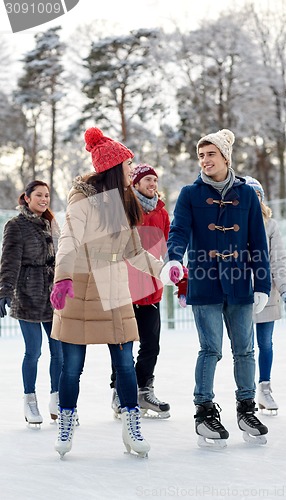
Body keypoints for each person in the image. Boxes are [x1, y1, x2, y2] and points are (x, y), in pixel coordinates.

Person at [50, 127, 180, 459]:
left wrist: (163, 269)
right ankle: (66, 419)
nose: (130, 171)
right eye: (126, 165)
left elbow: (134, 250)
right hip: (80, 286)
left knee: (124, 363)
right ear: (111, 168)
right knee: (71, 366)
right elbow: (68, 240)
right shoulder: (81, 198)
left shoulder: (124, 201)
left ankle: (131, 424)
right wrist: (62, 279)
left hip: (114, 286)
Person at [168, 129, 271, 447]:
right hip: (204, 281)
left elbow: (258, 242)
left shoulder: (247, 195)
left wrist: (262, 283)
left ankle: (246, 408)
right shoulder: (190, 194)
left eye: (210, 154)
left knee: (245, 350)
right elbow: (179, 231)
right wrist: (174, 259)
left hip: (240, 283)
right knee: (210, 349)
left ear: (225, 157)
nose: (204, 160)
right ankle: (204, 411)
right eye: (201, 155)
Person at [110, 163, 171, 418]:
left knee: (151, 345)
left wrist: (170, 274)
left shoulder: (162, 213)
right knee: (123, 346)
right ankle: (119, 392)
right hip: (125, 289)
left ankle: (144, 390)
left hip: (151, 291)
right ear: (134, 184)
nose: (152, 184)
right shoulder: (125, 208)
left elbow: (167, 248)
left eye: (154, 180)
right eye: (147, 180)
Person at [0, 180, 62, 427]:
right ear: (26, 198)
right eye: (39, 195)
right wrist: (4, 291)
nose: (44, 199)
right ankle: (30, 399)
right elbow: (9, 261)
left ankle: (57, 399)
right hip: (28, 293)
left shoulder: (51, 224)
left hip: (53, 296)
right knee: (34, 351)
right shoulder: (16, 225)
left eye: (46, 195)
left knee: (58, 351)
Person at [245, 176, 286, 414]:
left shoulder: (270, 225)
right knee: (244, 347)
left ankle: (264, 389)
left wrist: (285, 289)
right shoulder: (235, 224)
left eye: (257, 195)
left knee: (265, 343)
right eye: (249, 195)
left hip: (267, 291)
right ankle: (244, 392)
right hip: (242, 292)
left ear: (262, 198)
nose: (254, 199)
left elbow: (278, 260)